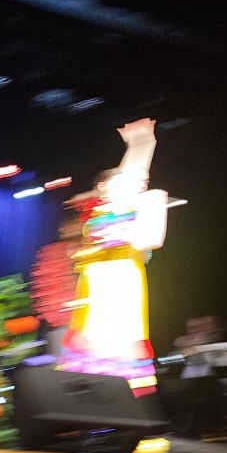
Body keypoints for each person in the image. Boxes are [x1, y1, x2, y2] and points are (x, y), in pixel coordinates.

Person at [60, 118, 168, 396]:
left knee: (118, 338)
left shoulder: (129, 209)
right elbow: (128, 175)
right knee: (92, 337)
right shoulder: (101, 213)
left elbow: (134, 174)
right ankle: (90, 396)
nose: (136, 183)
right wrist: (140, 142)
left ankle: (123, 397)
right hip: (98, 283)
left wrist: (142, 142)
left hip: (121, 278)